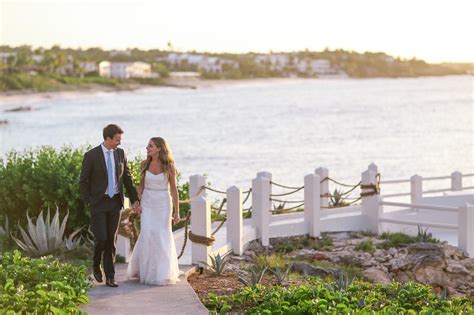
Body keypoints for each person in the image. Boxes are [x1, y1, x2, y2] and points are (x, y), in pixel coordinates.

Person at [79, 124, 139, 288]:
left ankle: (110, 276)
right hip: (98, 203)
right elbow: (83, 181)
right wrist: (89, 200)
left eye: (120, 139)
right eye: (117, 140)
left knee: (111, 241)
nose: (119, 143)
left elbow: (127, 178)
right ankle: (96, 264)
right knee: (101, 238)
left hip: (115, 203)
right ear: (107, 138)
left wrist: (134, 199)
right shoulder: (91, 155)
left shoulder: (120, 153)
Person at [127, 137, 181, 285]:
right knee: (147, 233)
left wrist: (177, 212)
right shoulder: (144, 164)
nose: (147, 148)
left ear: (159, 148)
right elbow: (141, 187)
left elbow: (174, 190)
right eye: (147, 146)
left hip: (163, 204)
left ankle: (162, 273)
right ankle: (145, 270)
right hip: (148, 203)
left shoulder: (169, 166)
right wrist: (136, 203)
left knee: (161, 235)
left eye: (150, 146)